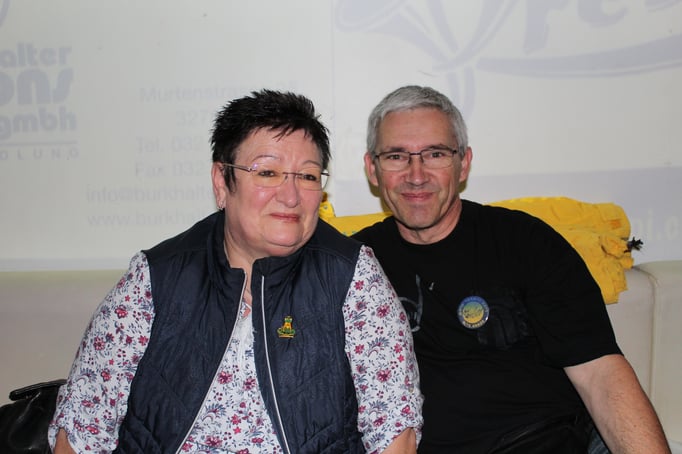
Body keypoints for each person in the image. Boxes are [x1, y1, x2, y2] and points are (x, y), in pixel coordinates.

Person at [49, 89, 423, 453]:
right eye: (268, 172)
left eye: (308, 176)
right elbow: (82, 431)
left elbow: (394, 431)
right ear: (222, 181)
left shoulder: (352, 276)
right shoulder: (155, 278)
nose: (290, 195)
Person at [352, 85, 671, 453]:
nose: (416, 174)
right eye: (396, 156)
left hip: (547, 441)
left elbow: (600, 374)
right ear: (373, 169)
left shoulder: (527, 242)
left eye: (436, 154)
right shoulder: (351, 265)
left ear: (464, 163)